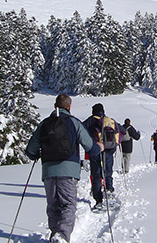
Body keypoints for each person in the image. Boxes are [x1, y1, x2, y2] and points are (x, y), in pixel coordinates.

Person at [25, 94, 104, 243]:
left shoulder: (44, 124)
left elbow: (30, 152)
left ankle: (55, 235)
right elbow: (90, 148)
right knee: (68, 205)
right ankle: (61, 236)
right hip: (69, 171)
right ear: (69, 107)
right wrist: (99, 147)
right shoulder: (74, 123)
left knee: (53, 206)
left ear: (55, 106)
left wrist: (38, 154)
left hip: (48, 171)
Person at [83, 103, 126, 209]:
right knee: (108, 172)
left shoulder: (90, 121)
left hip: (95, 151)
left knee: (96, 175)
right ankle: (109, 191)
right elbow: (122, 130)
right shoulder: (110, 121)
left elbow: (80, 132)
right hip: (108, 150)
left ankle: (98, 200)